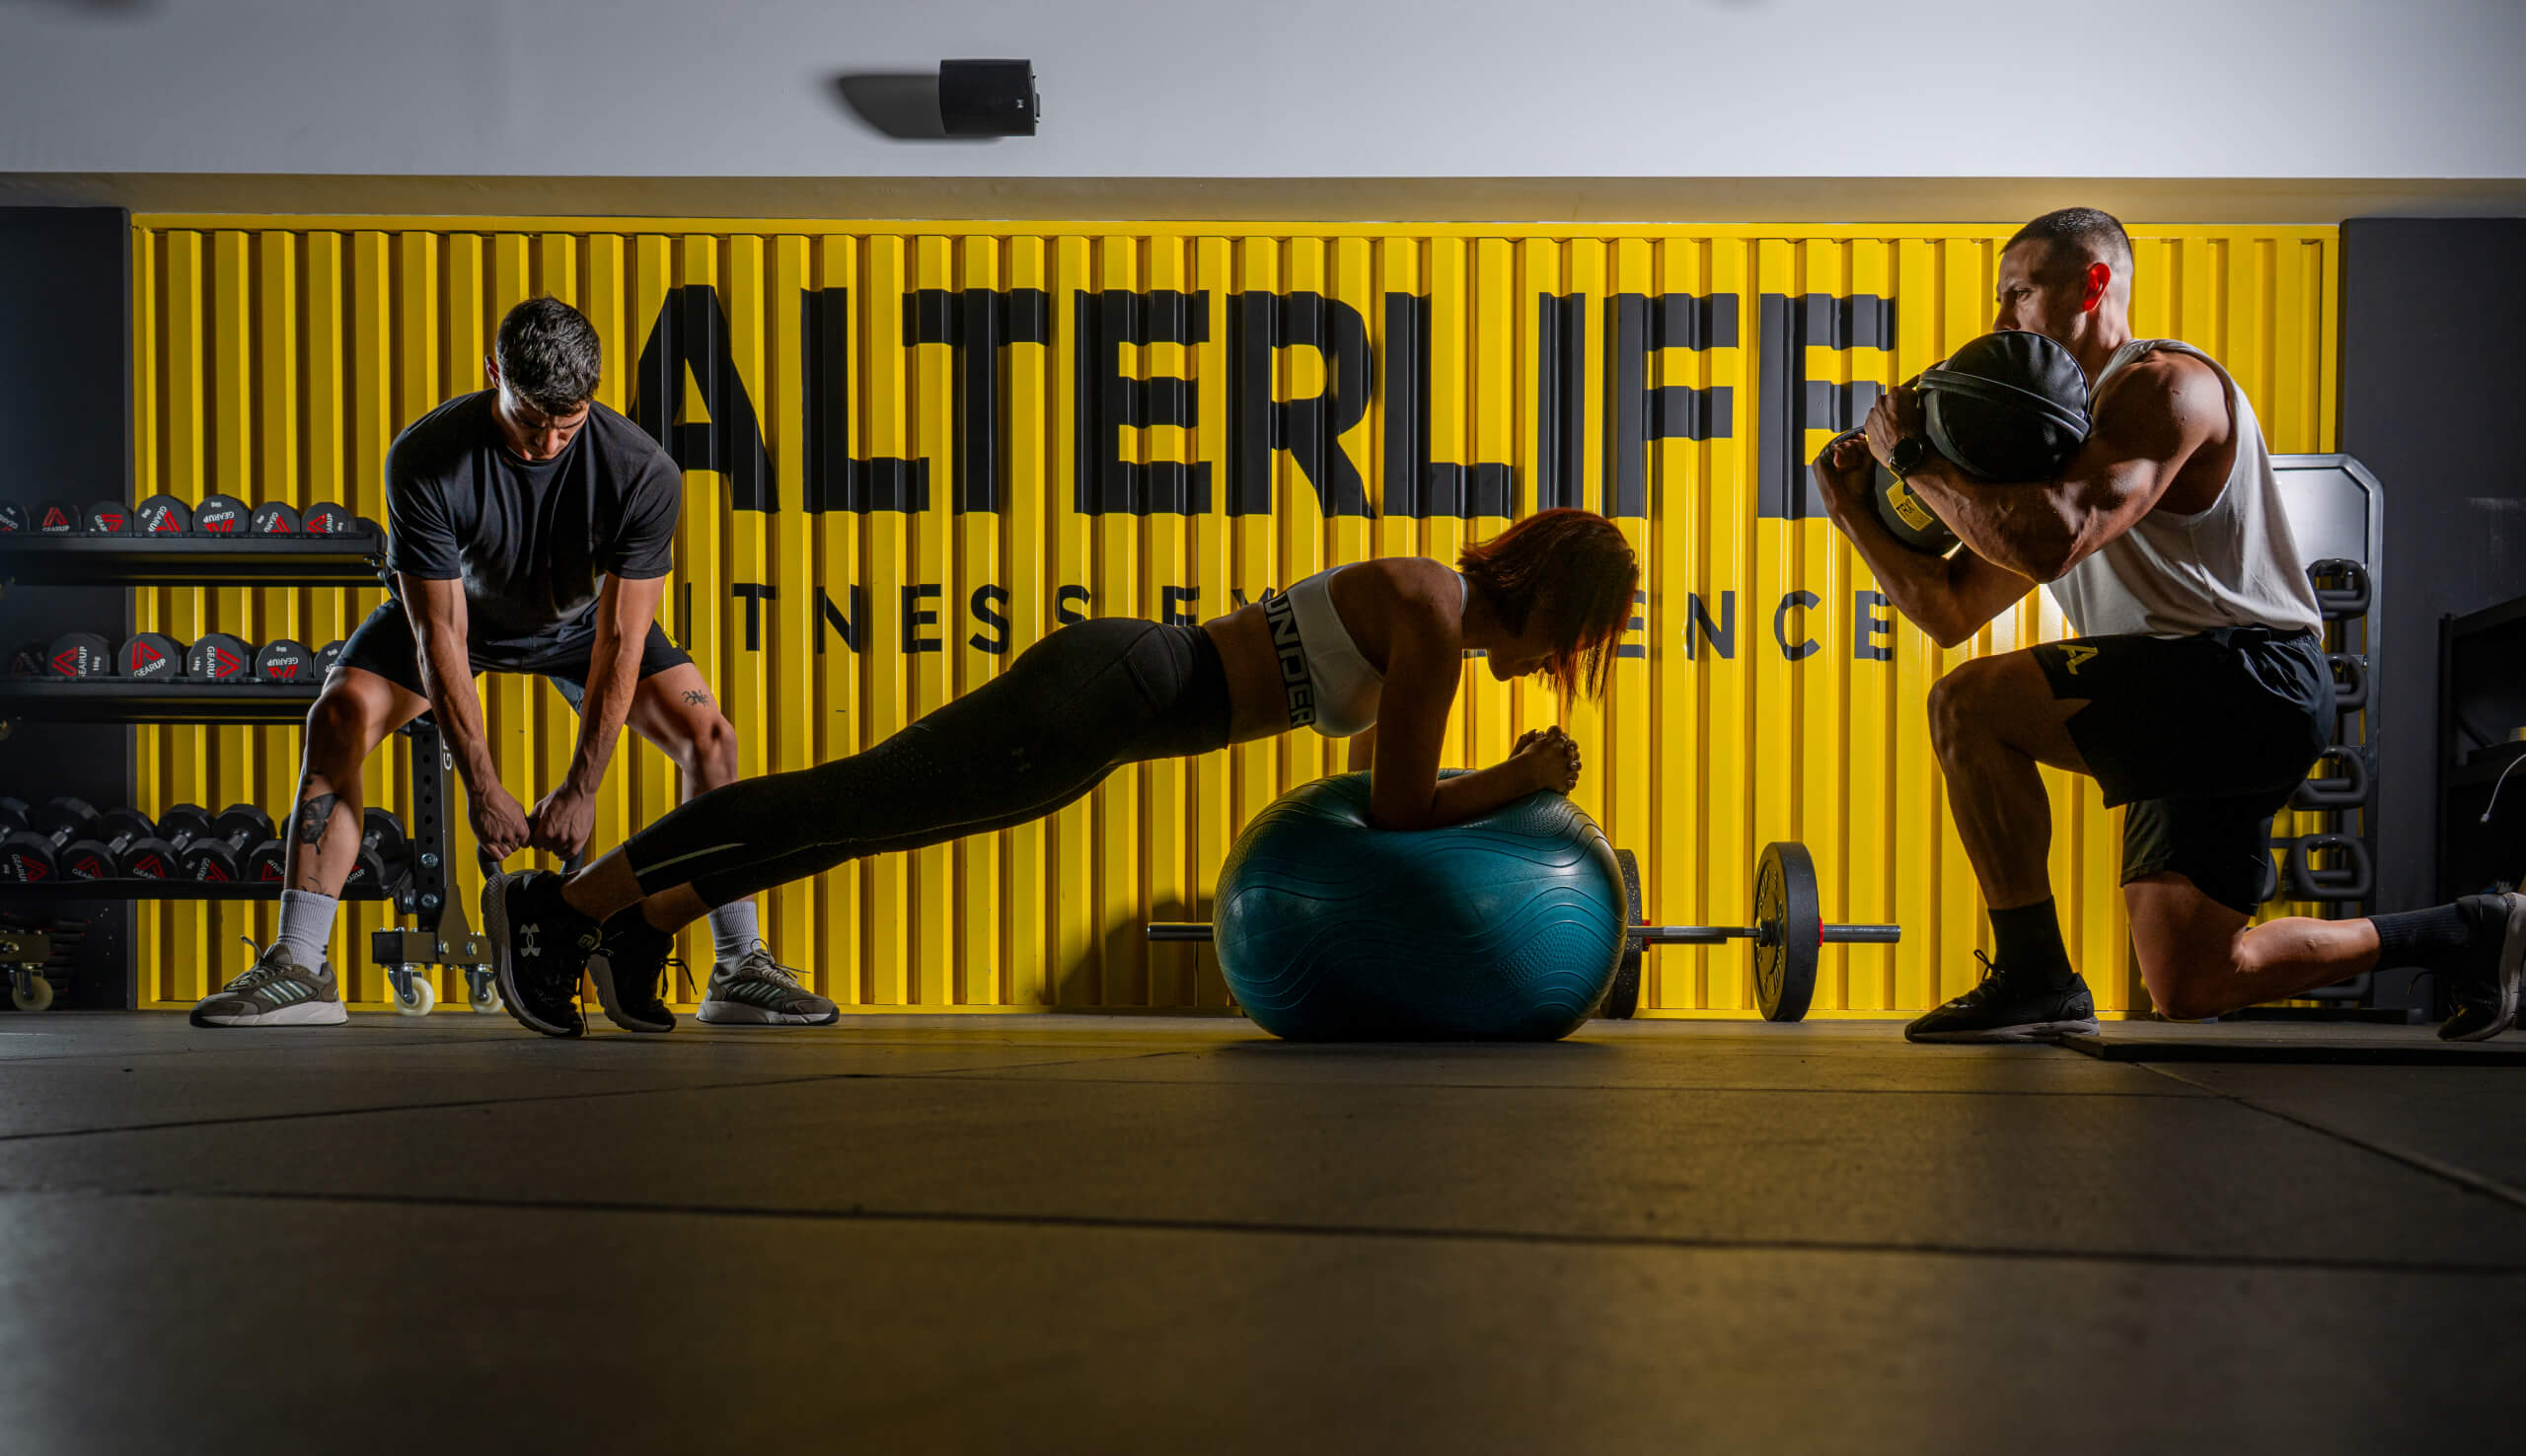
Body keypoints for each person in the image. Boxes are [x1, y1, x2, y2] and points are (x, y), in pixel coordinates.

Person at [479, 509, 1642, 1037]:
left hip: (1113, 714)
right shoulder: (1431, 616)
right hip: (1116, 687)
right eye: (1569, 644)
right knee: (846, 796)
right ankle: (564, 907)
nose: (1548, 669)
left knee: (868, 818)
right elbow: (1394, 813)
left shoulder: (1430, 612)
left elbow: (1359, 752)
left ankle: (644, 926)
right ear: (1549, 595)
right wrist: (1520, 775)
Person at [1813, 206, 2523, 1043]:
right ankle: (2471, 933)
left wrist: (1914, 461)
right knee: (2194, 980)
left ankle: (2034, 974)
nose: (2003, 319)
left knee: (1966, 708)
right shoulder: (2047, 457)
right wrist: (1850, 508)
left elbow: (2054, 541)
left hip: (2246, 675)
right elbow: (1949, 610)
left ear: (2095, 284)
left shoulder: (2164, 387)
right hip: (2188, 692)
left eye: (2020, 293)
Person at [189, 297, 836, 1032]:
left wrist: (581, 789)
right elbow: (440, 636)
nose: (548, 443)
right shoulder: (429, 457)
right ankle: (301, 962)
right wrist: (484, 784)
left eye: (569, 424)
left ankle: (737, 963)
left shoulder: (641, 470)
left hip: (579, 626)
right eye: (531, 421)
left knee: (712, 736)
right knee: (337, 715)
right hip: (459, 618)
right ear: (493, 372)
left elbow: (621, 640)